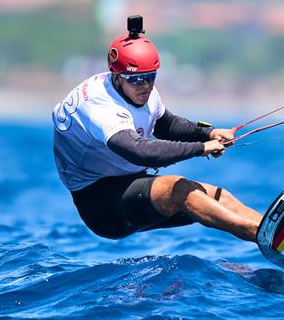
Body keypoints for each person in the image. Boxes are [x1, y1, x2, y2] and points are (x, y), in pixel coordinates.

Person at [52, 15, 262, 241]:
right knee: (179, 189)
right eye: (136, 80)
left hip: (132, 183)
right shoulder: (99, 105)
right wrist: (201, 147)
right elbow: (140, 151)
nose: (144, 86)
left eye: (150, 77)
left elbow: (166, 124)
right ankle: (257, 233)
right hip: (101, 204)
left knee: (221, 197)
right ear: (116, 76)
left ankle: (275, 236)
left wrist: (209, 133)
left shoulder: (144, 91)